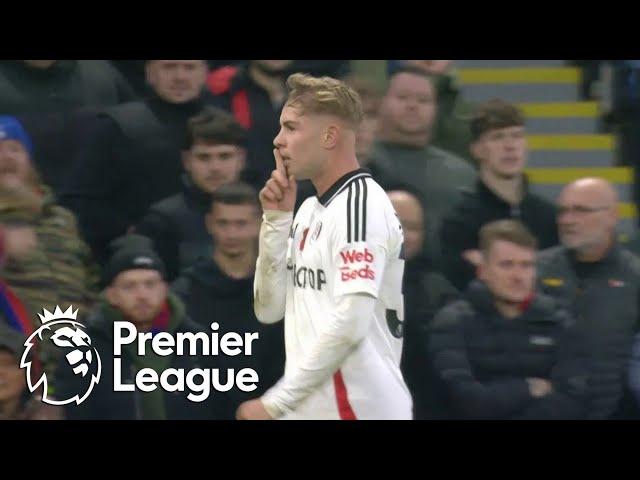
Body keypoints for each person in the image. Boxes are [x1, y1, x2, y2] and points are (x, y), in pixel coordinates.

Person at [236, 73, 412, 420]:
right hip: (316, 408)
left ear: (330, 135)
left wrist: (276, 403)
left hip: (359, 409)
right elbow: (269, 310)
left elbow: (351, 324)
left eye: (291, 128)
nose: (278, 141)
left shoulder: (362, 208)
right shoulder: (308, 210)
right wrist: (276, 221)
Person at [429, 220, 588, 419]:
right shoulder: (453, 322)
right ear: (483, 271)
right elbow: (466, 401)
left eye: (526, 265)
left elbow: (572, 401)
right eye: (507, 265)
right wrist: (527, 388)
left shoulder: (558, 322)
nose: (518, 275)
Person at [60, 60, 213, 264]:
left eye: (189, 67)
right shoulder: (118, 127)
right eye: (169, 67)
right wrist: (130, 232)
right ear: (150, 73)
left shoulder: (225, 124)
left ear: (205, 73)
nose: (180, 77)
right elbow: (78, 201)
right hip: (138, 262)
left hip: (213, 252)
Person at [172, 182, 285, 418]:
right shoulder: (184, 294)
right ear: (210, 224)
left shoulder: (281, 291)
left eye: (241, 224)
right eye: (223, 224)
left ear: (259, 224)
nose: (232, 234)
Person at [537, 178, 640, 419]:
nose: (567, 220)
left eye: (581, 210)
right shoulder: (535, 270)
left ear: (612, 216)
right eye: (562, 211)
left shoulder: (635, 276)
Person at [440, 100, 559, 291]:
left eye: (517, 136)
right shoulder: (460, 221)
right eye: (497, 137)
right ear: (477, 150)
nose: (510, 146)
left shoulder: (548, 216)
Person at [369, 66, 477, 264]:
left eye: (423, 100)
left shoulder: (462, 175)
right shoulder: (357, 161)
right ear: (381, 103)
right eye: (402, 97)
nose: (413, 106)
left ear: (436, 108)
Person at [0, 116, 99, 318]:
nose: (7, 158)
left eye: (15, 149)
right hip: (18, 345)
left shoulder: (62, 218)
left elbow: (91, 283)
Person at [135, 107, 247, 281]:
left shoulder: (268, 213)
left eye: (224, 156)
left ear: (241, 159)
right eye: (204, 157)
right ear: (187, 161)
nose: (215, 168)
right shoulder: (161, 221)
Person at [387, 187, 458, 419]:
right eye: (394, 222)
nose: (403, 234)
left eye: (413, 227)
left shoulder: (438, 291)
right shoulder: (334, 281)